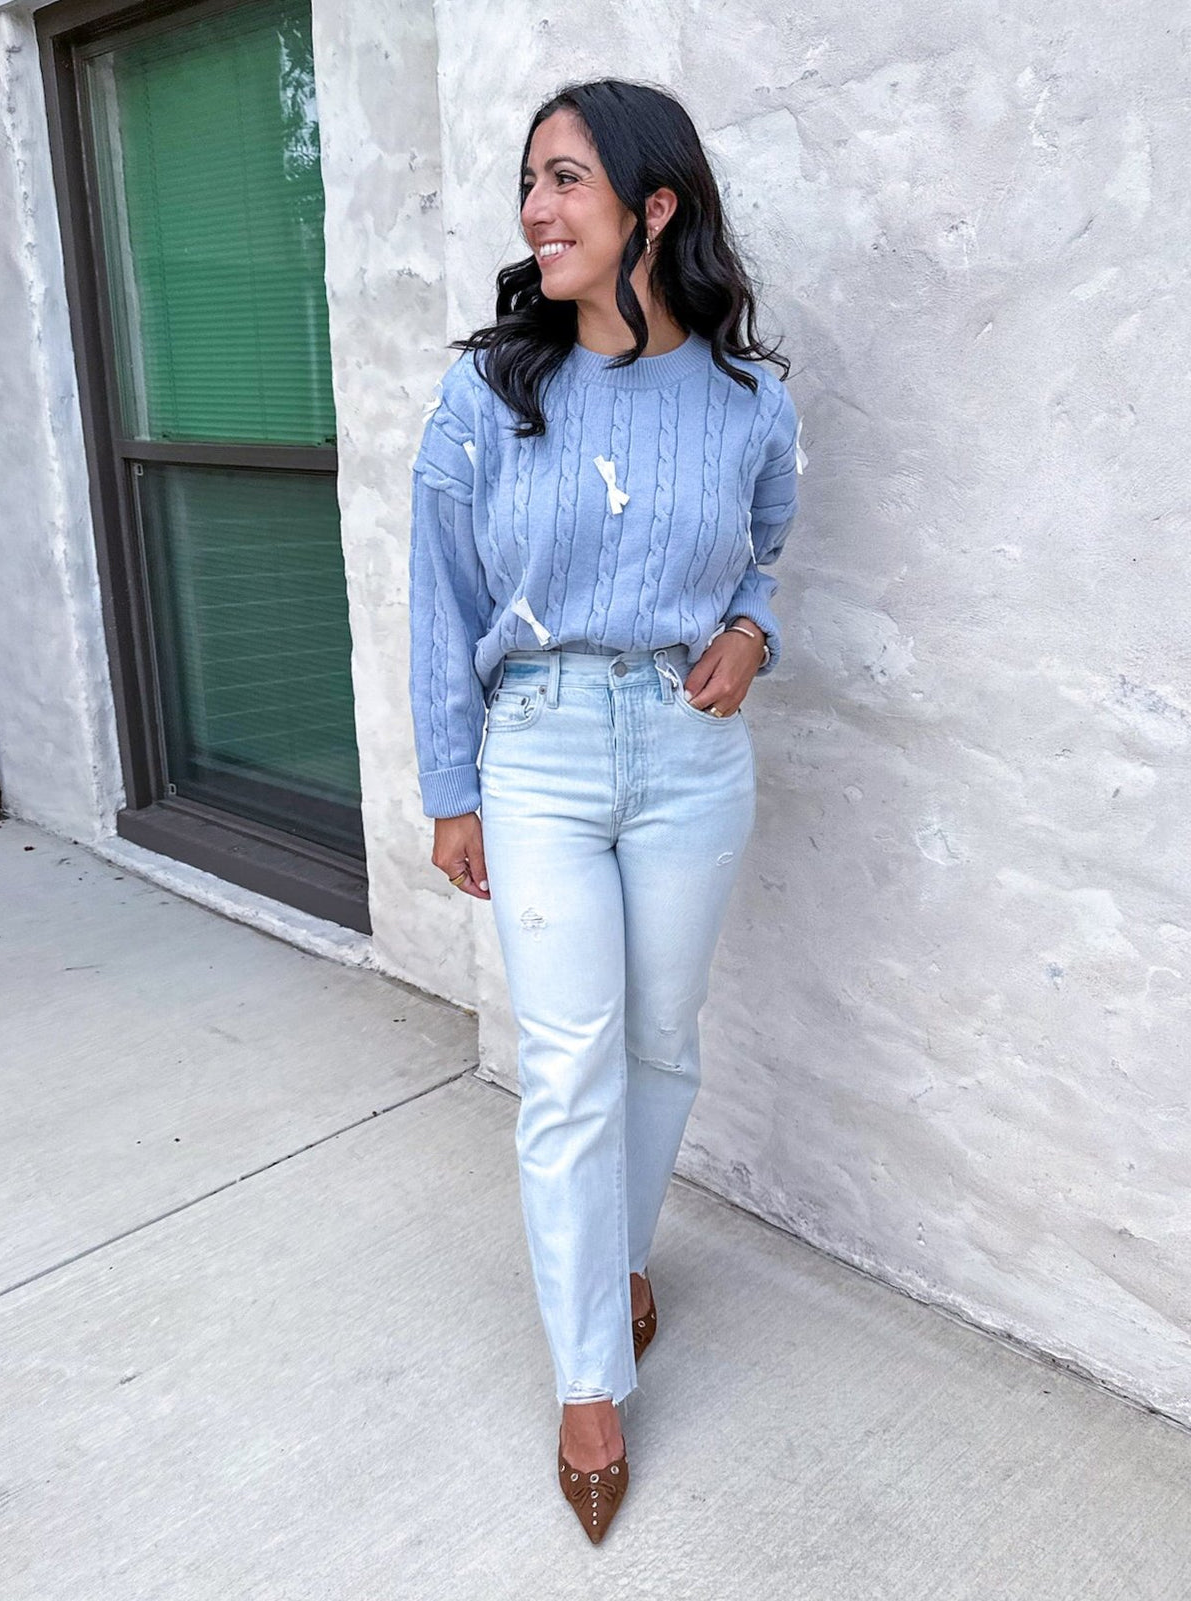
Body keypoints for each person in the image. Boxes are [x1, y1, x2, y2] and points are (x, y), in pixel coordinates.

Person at [408, 76, 801, 1543]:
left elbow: (766, 551)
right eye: (528, 182)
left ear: (655, 205)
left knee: (659, 1046)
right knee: (570, 1067)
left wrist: (755, 634)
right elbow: (437, 599)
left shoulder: (752, 401)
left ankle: (618, 1255)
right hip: (543, 750)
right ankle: (591, 1373)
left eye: (565, 179)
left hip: (692, 754)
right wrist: (452, 785)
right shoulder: (490, 391)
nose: (534, 210)